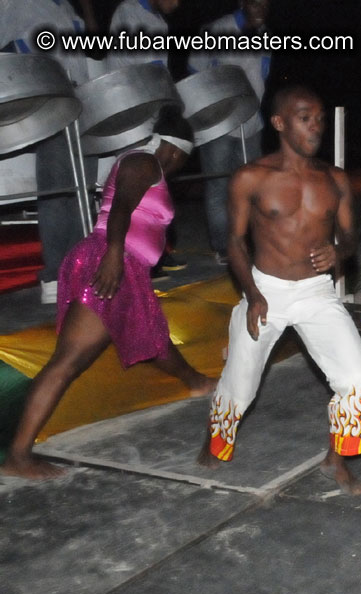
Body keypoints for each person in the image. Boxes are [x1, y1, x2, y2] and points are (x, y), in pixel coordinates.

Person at [0, 108, 217, 480]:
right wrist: (114, 255)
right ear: (178, 152)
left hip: (123, 264)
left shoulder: (145, 165)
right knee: (68, 361)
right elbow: (120, 209)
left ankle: (195, 380)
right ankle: (19, 455)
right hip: (111, 261)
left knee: (150, 334)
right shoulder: (143, 164)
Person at [197, 86, 361, 496]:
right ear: (279, 123)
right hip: (267, 289)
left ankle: (336, 460)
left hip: (316, 292)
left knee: (356, 375)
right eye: (305, 117)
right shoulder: (251, 177)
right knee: (240, 387)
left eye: (320, 117)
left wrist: (338, 253)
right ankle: (215, 440)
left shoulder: (336, 179)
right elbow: (235, 242)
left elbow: (349, 238)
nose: (316, 125)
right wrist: (254, 294)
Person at [1, 0, 96, 304]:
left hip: (80, 97)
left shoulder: (67, 9)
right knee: (57, 189)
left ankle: (81, 267)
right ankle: (54, 276)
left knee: (82, 190)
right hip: (50, 98)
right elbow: (13, 49)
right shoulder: (22, 3)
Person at [188, 0, 272, 264]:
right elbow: (194, 69)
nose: (262, 8)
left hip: (251, 120)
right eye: (256, 2)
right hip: (218, 122)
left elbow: (263, 75)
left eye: (266, 3)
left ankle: (252, 240)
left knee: (253, 183)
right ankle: (223, 247)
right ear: (243, 3)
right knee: (218, 185)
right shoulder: (217, 29)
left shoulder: (266, 35)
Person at [108, 0, 187, 276]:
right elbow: (138, 68)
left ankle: (157, 254)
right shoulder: (128, 12)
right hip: (131, 108)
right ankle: (135, 261)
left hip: (150, 108)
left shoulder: (160, 22)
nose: (178, 4)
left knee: (157, 187)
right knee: (136, 192)